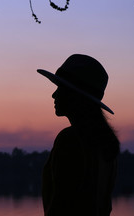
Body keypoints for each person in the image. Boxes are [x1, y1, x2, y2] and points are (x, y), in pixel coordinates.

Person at [37, 54, 120, 216]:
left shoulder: (70, 140)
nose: (54, 95)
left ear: (75, 96)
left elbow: (60, 205)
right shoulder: (106, 144)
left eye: (60, 88)